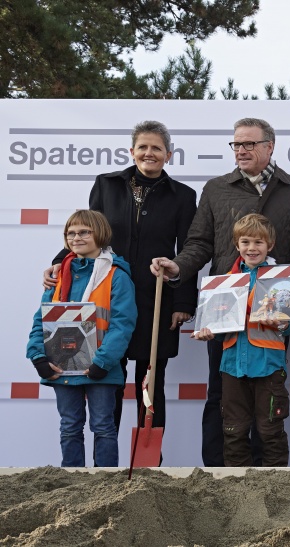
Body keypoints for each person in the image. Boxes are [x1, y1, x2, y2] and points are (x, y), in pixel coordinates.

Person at [151, 117, 290, 467]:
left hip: (271, 314)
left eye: (249, 144)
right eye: (236, 144)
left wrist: (286, 301)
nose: (241, 150)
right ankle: (217, 472)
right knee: (221, 394)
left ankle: (267, 476)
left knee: (266, 400)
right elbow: (199, 243)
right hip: (224, 308)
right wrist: (179, 266)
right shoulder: (216, 188)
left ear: (270, 146)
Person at [44, 121, 197, 444]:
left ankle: (148, 459)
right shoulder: (106, 185)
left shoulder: (183, 196)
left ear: (168, 154)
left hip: (155, 299)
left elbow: (188, 250)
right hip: (107, 298)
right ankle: (109, 461)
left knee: (152, 382)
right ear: (132, 151)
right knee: (107, 381)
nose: (149, 153)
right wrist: (59, 262)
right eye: (143, 147)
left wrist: (183, 302)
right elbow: (88, 231)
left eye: (156, 148)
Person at [27, 210, 137, 467]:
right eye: (71, 233)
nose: (76, 237)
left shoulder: (116, 275)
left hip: (100, 368)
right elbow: (40, 321)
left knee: (103, 427)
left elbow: (122, 324)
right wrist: (38, 355)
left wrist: (103, 362)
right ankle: (71, 483)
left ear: (100, 234)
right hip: (61, 366)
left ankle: (106, 484)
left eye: (84, 232)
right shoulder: (58, 276)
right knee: (69, 427)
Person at [192, 214, 290, 466]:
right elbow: (214, 321)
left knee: (270, 431)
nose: (252, 248)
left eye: (258, 243)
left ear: (270, 246)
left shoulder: (282, 278)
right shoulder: (224, 281)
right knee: (233, 431)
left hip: (269, 366)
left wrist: (284, 322)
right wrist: (208, 332)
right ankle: (237, 490)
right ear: (236, 245)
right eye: (246, 242)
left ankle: (276, 489)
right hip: (232, 366)